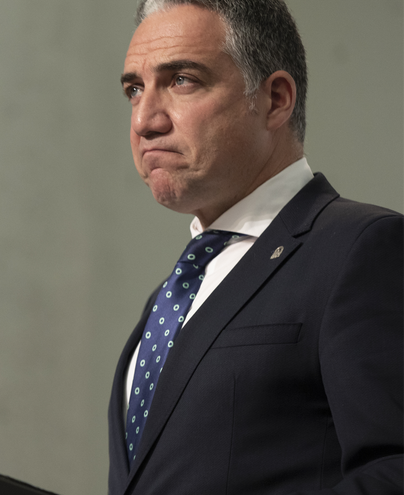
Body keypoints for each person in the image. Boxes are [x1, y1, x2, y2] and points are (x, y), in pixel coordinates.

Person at [106, 1, 404, 493]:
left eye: (182, 80)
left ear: (275, 100)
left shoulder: (362, 250)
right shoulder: (166, 301)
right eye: (135, 89)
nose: (144, 121)